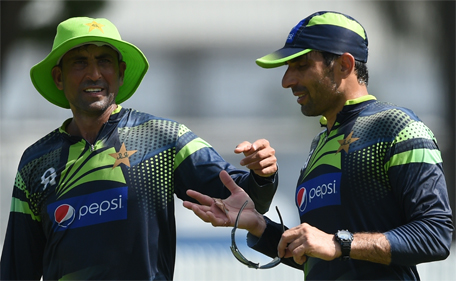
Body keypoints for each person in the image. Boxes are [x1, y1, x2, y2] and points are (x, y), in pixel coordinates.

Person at [0, 17, 279, 280]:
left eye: (104, 61)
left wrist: (262, 174)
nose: (94, 73)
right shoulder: (35, 162)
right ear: (59, 77)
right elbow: (16, 269)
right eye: (80, 62)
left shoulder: (163, 138)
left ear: (120, 73)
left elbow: (242, 199)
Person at [183, 11, 454, 280]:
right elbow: (321, 255)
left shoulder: (396, 125)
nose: (286, 81)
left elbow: (436, 234)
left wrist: (339, 243)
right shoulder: (320, 142)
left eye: (301, 66)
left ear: (344, 65)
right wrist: (259, 225)